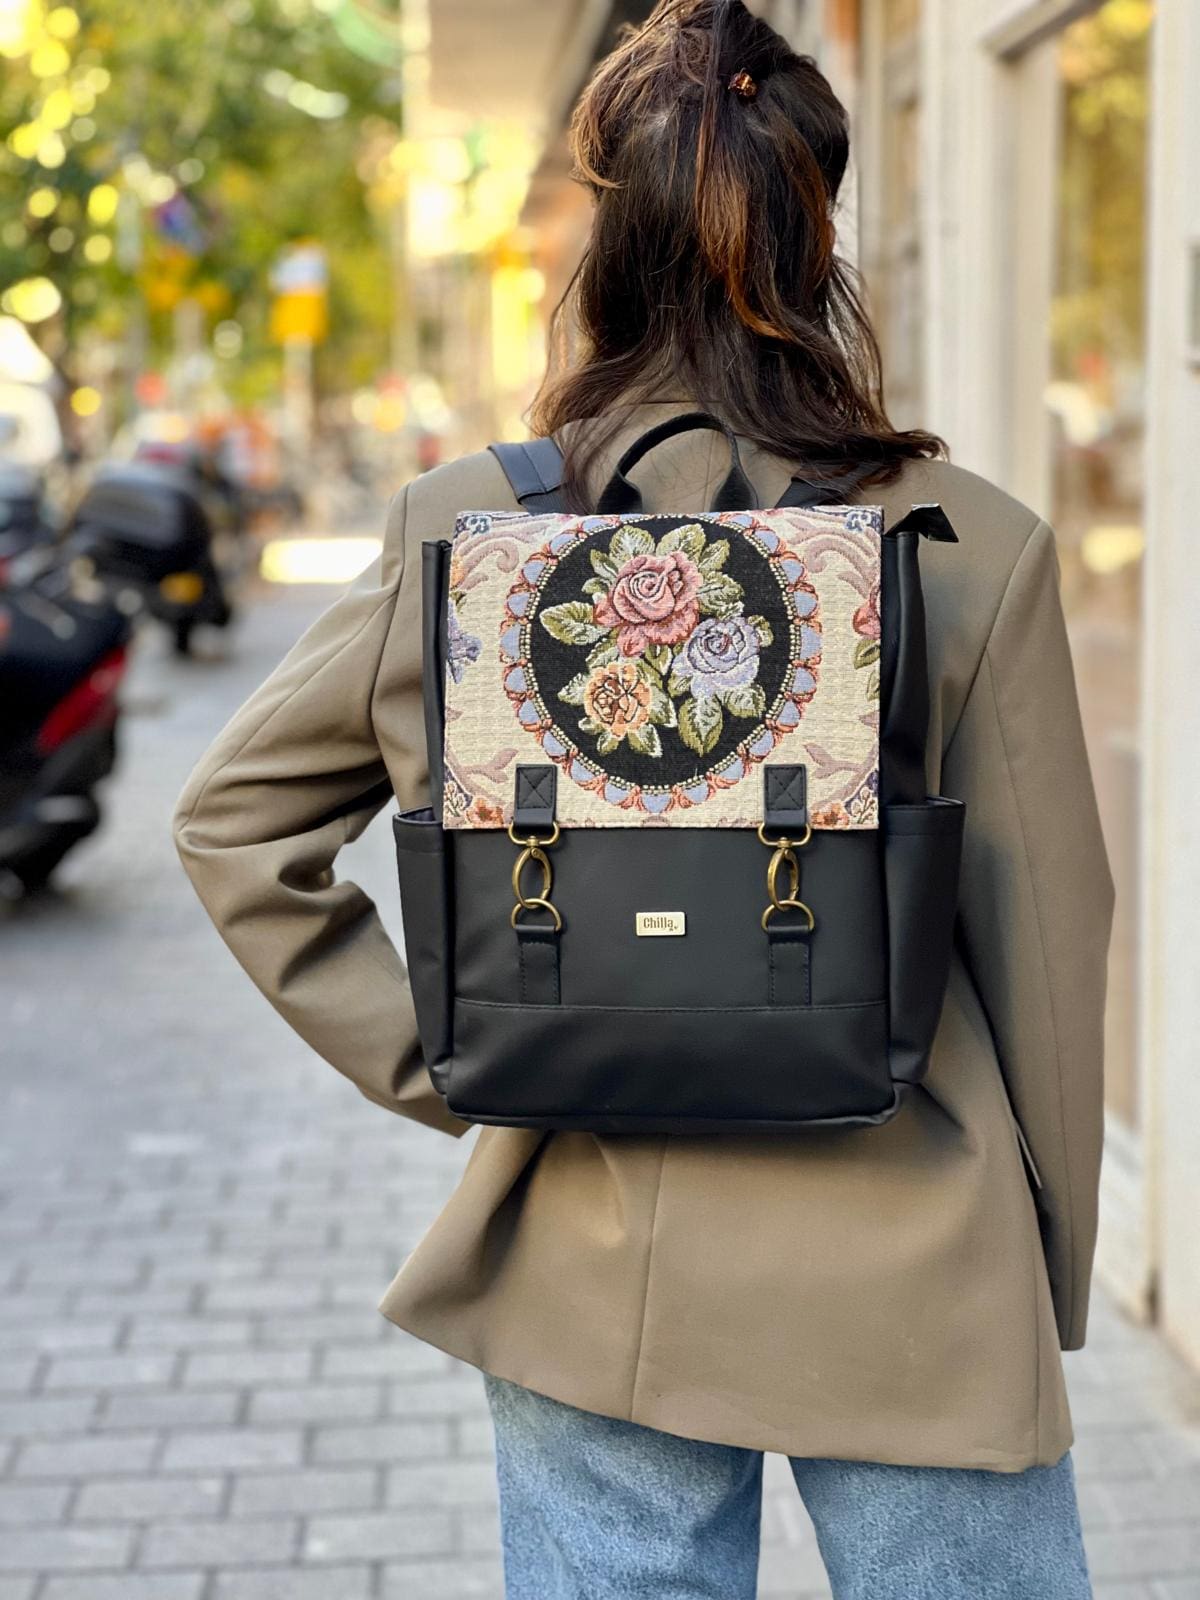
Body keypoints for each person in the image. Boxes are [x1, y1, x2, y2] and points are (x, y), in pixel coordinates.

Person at [174, 3, 1111, 1596]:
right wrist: (1052, 1269)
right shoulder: (968, 539)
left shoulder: (470, 529)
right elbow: (1051, 946)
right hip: (915, 1250)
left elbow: (231, 826)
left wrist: (463, 1061)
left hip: (588, 1244)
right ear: (821, 236)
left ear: (600, 240)